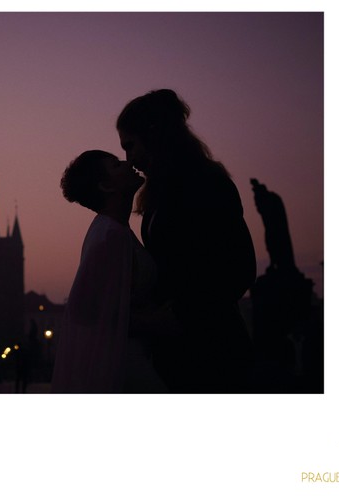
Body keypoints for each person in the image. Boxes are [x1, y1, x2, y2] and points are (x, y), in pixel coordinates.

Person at [117, 89, 256, 393]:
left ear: (154, 136)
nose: (129, 159)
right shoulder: (161, 193)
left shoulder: (205, 181)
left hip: (211, 351)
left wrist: (175, 317)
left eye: (130, 145)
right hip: (180, 351)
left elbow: (239, 267)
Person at [51, 150, 168, 393]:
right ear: (106, 186)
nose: (128, 163)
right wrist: (161, 322)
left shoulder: (112, 229)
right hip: (125, 363)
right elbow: (89, 312)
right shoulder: (110, 235)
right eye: (116, 166)